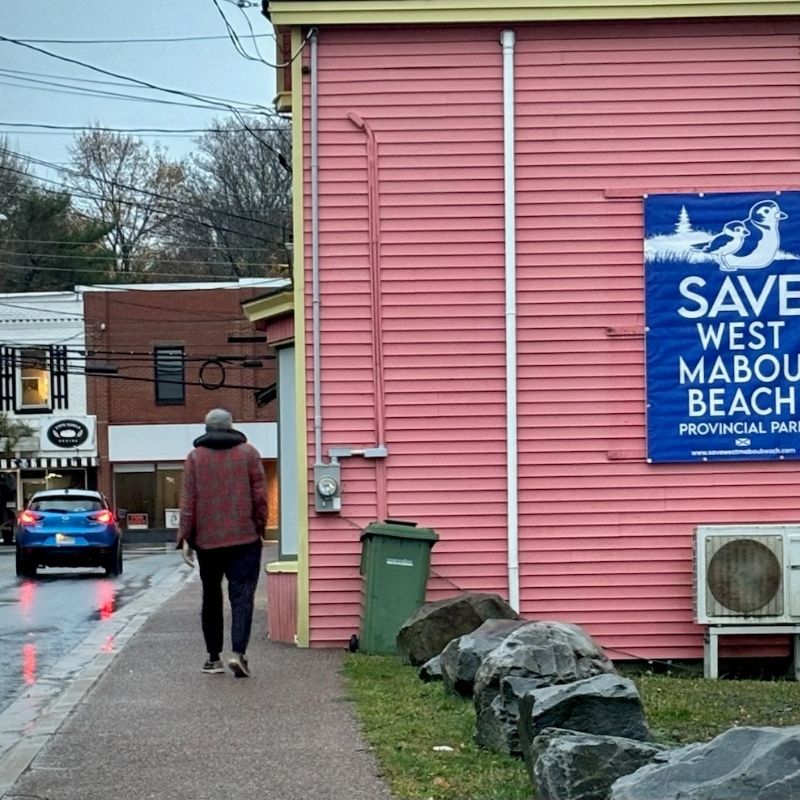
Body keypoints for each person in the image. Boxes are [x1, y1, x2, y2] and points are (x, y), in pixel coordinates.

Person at [178, 408, 267, 677]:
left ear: (207, 428)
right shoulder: (249, 454)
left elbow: (188, 501)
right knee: (242, 596)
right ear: (231, 426)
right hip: (245, 538)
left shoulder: (195, 458)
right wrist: (259, 526)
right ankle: (238, 653)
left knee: (212, 596)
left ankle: (213, 658)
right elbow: (260, 497)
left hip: (207, 541)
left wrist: (185, 537)